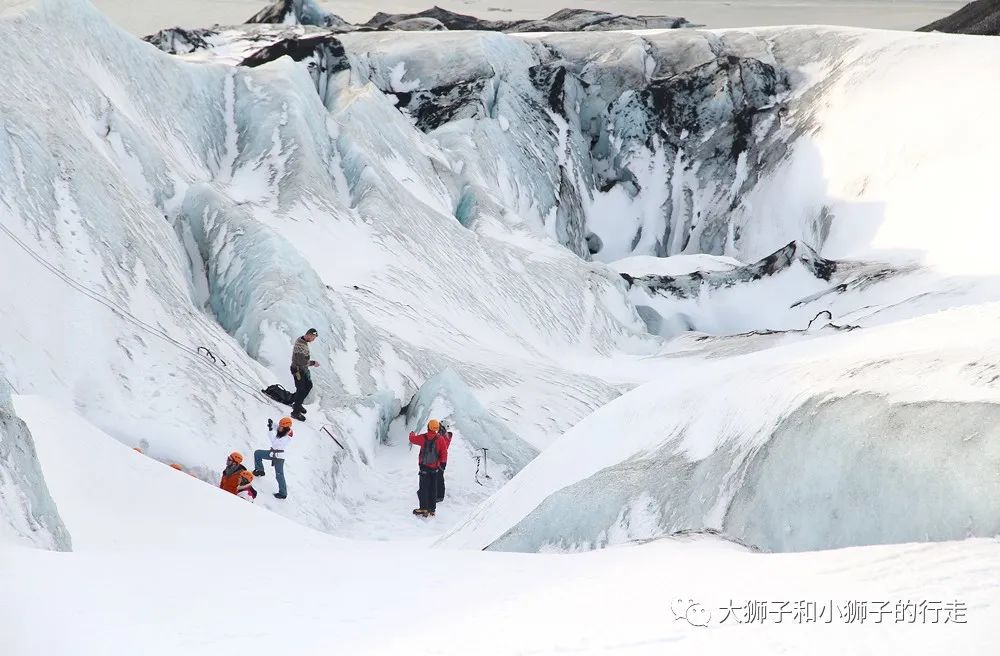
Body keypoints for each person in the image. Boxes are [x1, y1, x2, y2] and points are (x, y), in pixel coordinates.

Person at [409, 419, 449, 517]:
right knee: (433, 488)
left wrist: (412, 434)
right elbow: (444, 453)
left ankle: (423, 508)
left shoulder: (423, 437)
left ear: (428, 427)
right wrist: (442, 465)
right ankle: (432, 509)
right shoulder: (440, 439)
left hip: (424, 468)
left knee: (424, 488)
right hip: (435, 468)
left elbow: (412, 439)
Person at [253, 417, 293, 499]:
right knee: (257, 453)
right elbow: (278, 428)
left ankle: (283, 493)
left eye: (281, 427)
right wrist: (272, 423)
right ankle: (260, 470)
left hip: (279, 457)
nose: (279, 427)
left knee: (279, 475)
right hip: (272, 453)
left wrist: (270, 430)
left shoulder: (287, 438)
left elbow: (274, 442)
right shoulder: (283, 430)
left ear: (286, 428)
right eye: (280, 426)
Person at [290, 328, 320, 420]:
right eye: (313, 338)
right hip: (298, 370)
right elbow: (302, 362)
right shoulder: (301, 346)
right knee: (301, 390)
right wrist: (313, 363)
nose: (313, 340)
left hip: (302, 370)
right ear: (309, 335)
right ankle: (296, 411)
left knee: (308, 385)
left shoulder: (303, 341)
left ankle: (297, 404)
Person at [435, 424, 453, 504]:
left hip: (440, 461)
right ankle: (437, 494)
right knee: (437, 477)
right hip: (440, 460)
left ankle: (440, 496)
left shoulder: (444, 438)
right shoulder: (445, 437)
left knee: (439, 478)